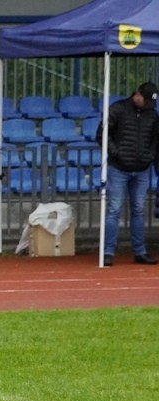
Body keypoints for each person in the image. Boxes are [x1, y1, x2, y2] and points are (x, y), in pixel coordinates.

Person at [97, 82, 159, 266]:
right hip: (119, 168)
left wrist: (150, 156)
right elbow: (102, 134)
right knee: (114, 209)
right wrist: (117, 153)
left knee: (138, 210)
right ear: (137, 95)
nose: (148, 105)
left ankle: (140, 251)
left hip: (141, 168)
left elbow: (156, 139)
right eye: (146, 100)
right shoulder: (118, 109)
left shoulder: (152, 114)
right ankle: (108, 251)